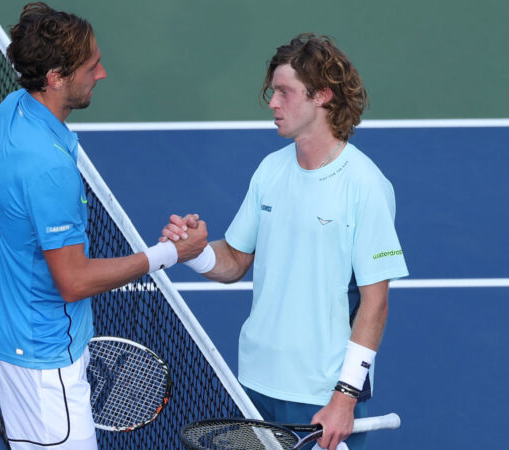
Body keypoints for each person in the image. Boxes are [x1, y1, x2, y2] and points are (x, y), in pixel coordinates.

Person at [162, 33, 408, 450]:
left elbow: (375, 302)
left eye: (284, 92)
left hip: (320, 397)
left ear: (322, 96)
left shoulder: (366, 186)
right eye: (272, 91)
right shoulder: (270, 171)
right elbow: (236, 260)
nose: (272, 103)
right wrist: (195, 252)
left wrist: (344, 398)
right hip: (255, 381)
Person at [0, 3, 206, 449]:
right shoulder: (47, 167)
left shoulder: (13, 109)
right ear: (55, 78)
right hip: (46, 364)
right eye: (90, 66)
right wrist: (170, 254)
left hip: (14, 336)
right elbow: (73, 281)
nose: (100, 74)